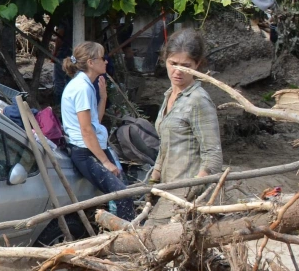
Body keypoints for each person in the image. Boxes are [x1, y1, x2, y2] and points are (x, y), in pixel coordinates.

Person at [147, 30, 223, 222]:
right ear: (165, 60)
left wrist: (188, 194)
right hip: (167, 188)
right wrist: (154, 180)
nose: (178, 71)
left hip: (186, 196)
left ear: (197, 65)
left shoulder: (198, 101)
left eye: (186, 66)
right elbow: (166, 145)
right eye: (173, 64)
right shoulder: (169, 95)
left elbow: (213, 157)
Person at [60, 42, 135, 221]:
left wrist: (103, 98)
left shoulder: (85, 85)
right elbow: (86, 130)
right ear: (91, 62)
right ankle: (126, 236)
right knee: (121, 194)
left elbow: (94, 122)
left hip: (91, 147)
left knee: (123, 190)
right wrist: (104, 161)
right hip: (85, 151)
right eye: (103, 58)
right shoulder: (82, 88)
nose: (106, 62)